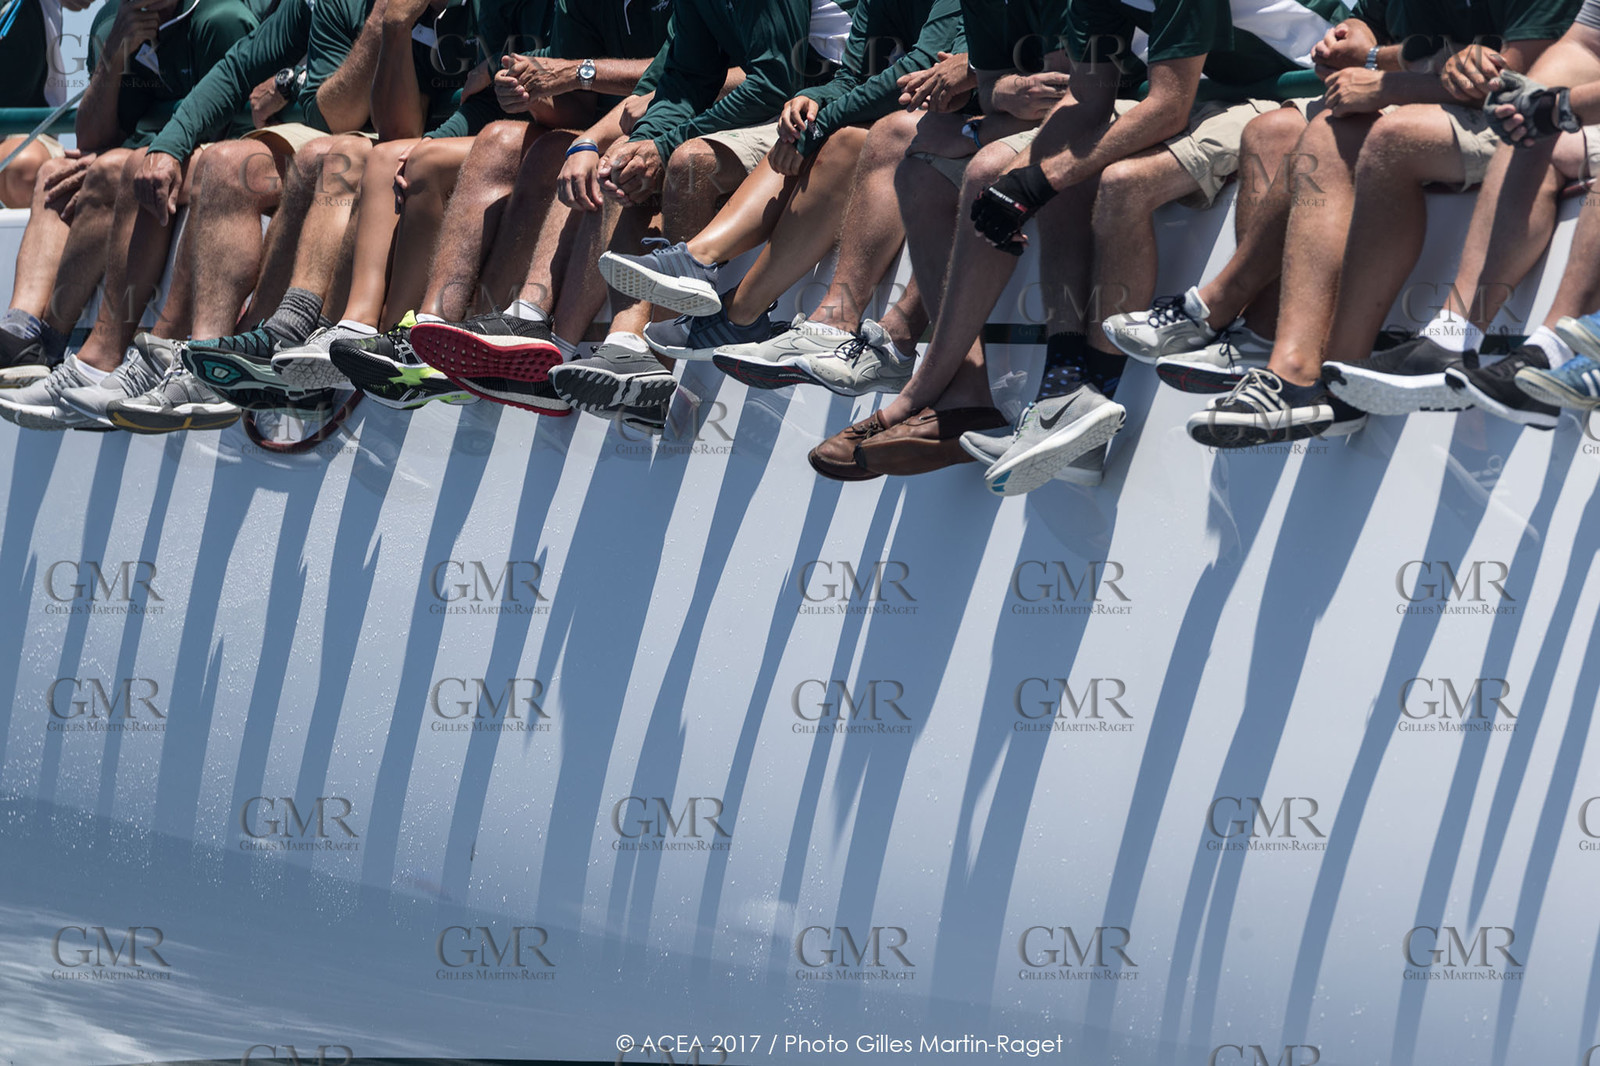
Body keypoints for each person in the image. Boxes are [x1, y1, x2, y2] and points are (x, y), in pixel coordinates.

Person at [809, 0, 1351, 491]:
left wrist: (1040, 179)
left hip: (1292, 93)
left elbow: (1169, 105)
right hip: (1215, 95)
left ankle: (1065, 397)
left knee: (1113, 182)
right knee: (1015, 170)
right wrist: (1030, 175)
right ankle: (1046, 393)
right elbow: (1085, 100)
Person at [407, 0, 859, 419]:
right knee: (621, 157)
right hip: (768, 105)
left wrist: (651, 138)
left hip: (808, 108)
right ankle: (532, 331)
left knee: (678, 159)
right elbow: (682, 77)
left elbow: (771, 81)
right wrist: (630, 141)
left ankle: (638, 361)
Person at [581, 0, 966, 414]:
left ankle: (749, 318)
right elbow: (852, 76)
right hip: (885, 117)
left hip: (951, 126)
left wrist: (821, 118)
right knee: (667, 157)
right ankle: (689, 284)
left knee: (847, 138)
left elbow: (918, 72)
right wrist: (813, 100)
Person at [0, 0, 265, 428]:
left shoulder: (222, 20)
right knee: (56, 172)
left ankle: (90, 357)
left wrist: (141, 152)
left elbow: (236, 131)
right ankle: (29, 337)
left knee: (115, 168)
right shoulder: (112, 21)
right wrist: (114, 53)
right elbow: (90, 137)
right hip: (146, 155)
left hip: (216, 160)